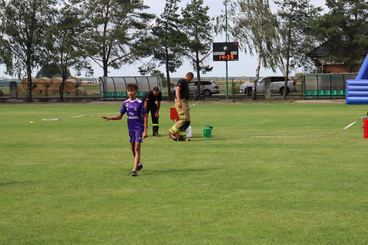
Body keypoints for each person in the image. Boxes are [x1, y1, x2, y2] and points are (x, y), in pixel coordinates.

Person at [102, 84, 148, 176]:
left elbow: (145, 116)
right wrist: (110, 118)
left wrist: (145, 130)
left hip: (138, 128)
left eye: (132, 90)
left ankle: (134, 170)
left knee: (137, 148)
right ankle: (138, 164)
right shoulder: (125, 103)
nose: (130, 92)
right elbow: (120, 116)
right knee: (132, 148)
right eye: (129, 91)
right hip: (131, 129)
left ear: (136, 91)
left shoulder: (139, 103)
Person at [168, 72, 194, 141]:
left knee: (187, 122)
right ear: (189, 76)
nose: (190, 80)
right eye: (191, 79)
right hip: (181, 101)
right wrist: (179, 101)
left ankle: (181, 137)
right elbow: (177, 90)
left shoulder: (185, 82)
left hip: (184, 102)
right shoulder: (182, 81)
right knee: (183, 119)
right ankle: (171, 132)